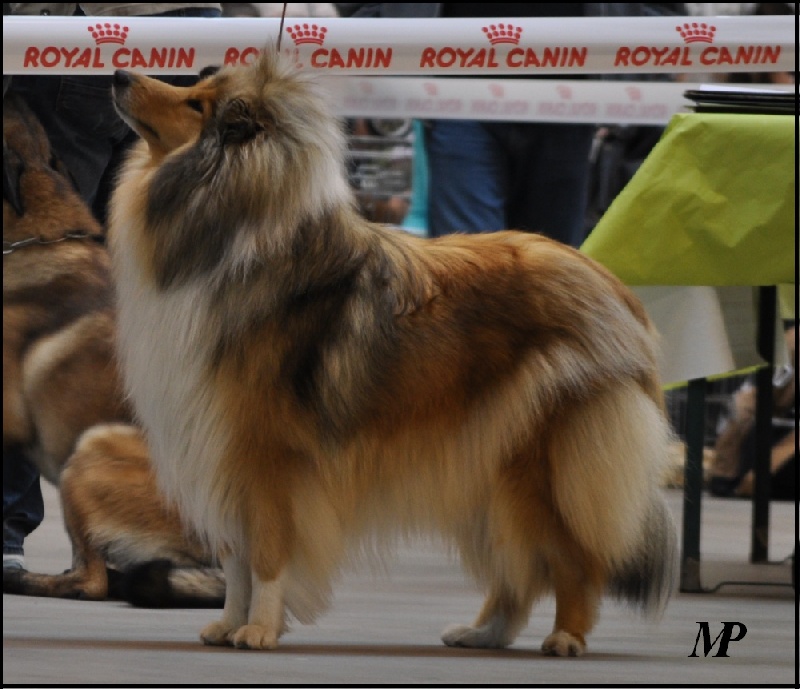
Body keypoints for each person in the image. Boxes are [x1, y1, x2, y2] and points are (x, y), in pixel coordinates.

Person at [2, 2, 221, 576]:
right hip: (190, 28)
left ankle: (5, 527)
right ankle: (154, 529)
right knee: (155, 313)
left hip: (72, 30)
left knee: (35, 299)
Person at [346, 4, 685, 247]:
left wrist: (631, 51)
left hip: (572, 102)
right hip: (455, 98)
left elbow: (666, 12)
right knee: (470, 265)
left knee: (556, 270)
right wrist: (376, 20)